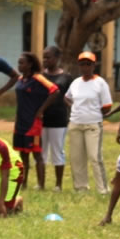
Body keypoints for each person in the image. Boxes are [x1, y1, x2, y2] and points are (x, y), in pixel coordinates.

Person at [64, 51, 112, 193]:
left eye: (88, 64)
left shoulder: (100, 83)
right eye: (82, 64)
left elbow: (107, 106)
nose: (85, 67)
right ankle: (81, 187)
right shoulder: (76, 83)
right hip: (75, 123)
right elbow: (66, 97)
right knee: (77, 158)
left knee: (95, 157)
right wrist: (74, 107)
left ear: (93, 65)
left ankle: (103, 189)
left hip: (93, 124)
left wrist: (94, 112)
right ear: (79, 66)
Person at [13, 52, 59, 190]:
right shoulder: (20, 79)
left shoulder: (38, 78)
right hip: (20, 122)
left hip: (33, 123)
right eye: (18, 63)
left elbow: (55, 91)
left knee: (36, 154)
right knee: (23, 154)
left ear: (30, 64)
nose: (19, 65)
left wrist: (41, 110)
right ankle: (23, 183)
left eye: (22, 63)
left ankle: (41, 184)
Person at [42, 46, 73, 191]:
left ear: (57, 58)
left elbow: (70, 97)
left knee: (57, 151)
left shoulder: (66, 77)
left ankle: (58, 184)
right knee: (41, 152)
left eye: (48, 57)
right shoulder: (41, 76)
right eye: (44, 57)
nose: (45, 60)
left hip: (58, 119)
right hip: (42, 118)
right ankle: (40, 183)